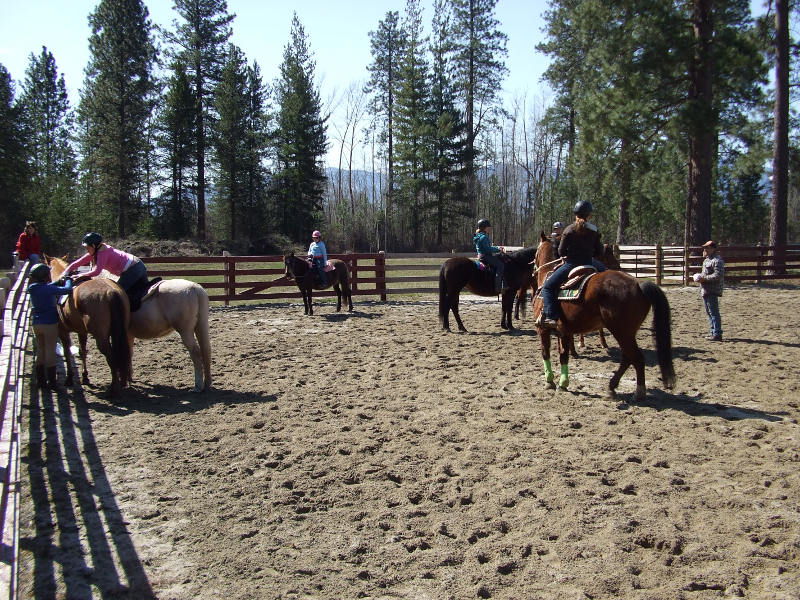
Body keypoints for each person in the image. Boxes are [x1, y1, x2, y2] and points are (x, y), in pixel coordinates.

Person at [537, 200, 605, 329]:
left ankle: (551, 316)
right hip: (590, 262)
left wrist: (567, 255)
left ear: (575, 214)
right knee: (608, 275)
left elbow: (561, 251)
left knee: (548, 287)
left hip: (572, 264)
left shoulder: (568, 230)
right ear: (589, 215)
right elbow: (600, 251)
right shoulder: (594, 230)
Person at [27, 262, 73, 389]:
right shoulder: (49, 289)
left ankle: (41, 381)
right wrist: (68, 280)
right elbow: (67, 290)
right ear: (45, 276)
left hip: (37, 324)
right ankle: (52, 382)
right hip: (50, 324)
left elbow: (45, 287)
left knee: (40, 350)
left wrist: (56, 282)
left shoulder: (32, 288)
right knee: (50, 351)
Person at [62, 232, 149, 297]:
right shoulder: (98, 251)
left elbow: (96, 272)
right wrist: (66, 271)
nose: (86, 249)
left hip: (133, 270)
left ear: (93, 245)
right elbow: (79, 262)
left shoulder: (102, 253)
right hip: (138, 266)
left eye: (87, 247)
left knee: (116, 294)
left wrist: (80, 275)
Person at [694, 240, 724, 341]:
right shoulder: (707, 260)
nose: (705, 249)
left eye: (707, 248)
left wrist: (704, 279)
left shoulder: (717, 260)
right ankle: (713, 331)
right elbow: (706, 273)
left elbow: (718, 275)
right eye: (705, 248)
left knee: (713, 312)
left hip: (712, 289)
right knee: (709, 312)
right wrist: (699, 277)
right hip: (706, 289)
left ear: (713, 249)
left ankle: (717, 333)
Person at [474, 218, 505, 292]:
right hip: (486, 256)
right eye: (488, 227)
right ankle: (498, 287)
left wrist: (497, 247)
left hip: (481, 255)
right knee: (500, 265)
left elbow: (488, 247)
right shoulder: (484, 237)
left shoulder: (478, 236)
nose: (490, 228)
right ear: (484, 227)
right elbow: (488, 249)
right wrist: (498, 249)